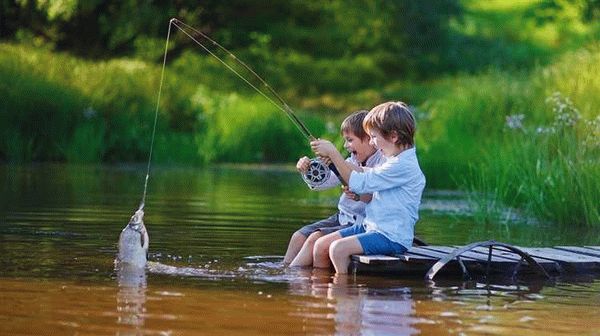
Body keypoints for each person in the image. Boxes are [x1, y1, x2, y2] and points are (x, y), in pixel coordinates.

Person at [310, 101, 425, 274]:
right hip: (371, 226)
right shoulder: (393, 160)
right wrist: (336, 162)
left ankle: (343, 294)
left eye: (374, 137)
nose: (372, 142)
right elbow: (366, 173)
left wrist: (334, 154)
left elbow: (359, 182)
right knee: (321, 245)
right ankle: (321, 290)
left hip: (391, 236)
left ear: (393, 136)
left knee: (338, 249)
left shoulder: (403, 165)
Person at [283, 110, 385, 266]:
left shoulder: (382, 163)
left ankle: (293, 278)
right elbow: (323, 183)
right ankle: (285, 270)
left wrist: (335, 157)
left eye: (350, 140)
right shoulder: (352, 159)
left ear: (368, 138)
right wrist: (308, 169)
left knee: (314, 239)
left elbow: (369, 179)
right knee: (298, 236)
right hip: (342, 217)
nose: (346, 145)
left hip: (361, 223)